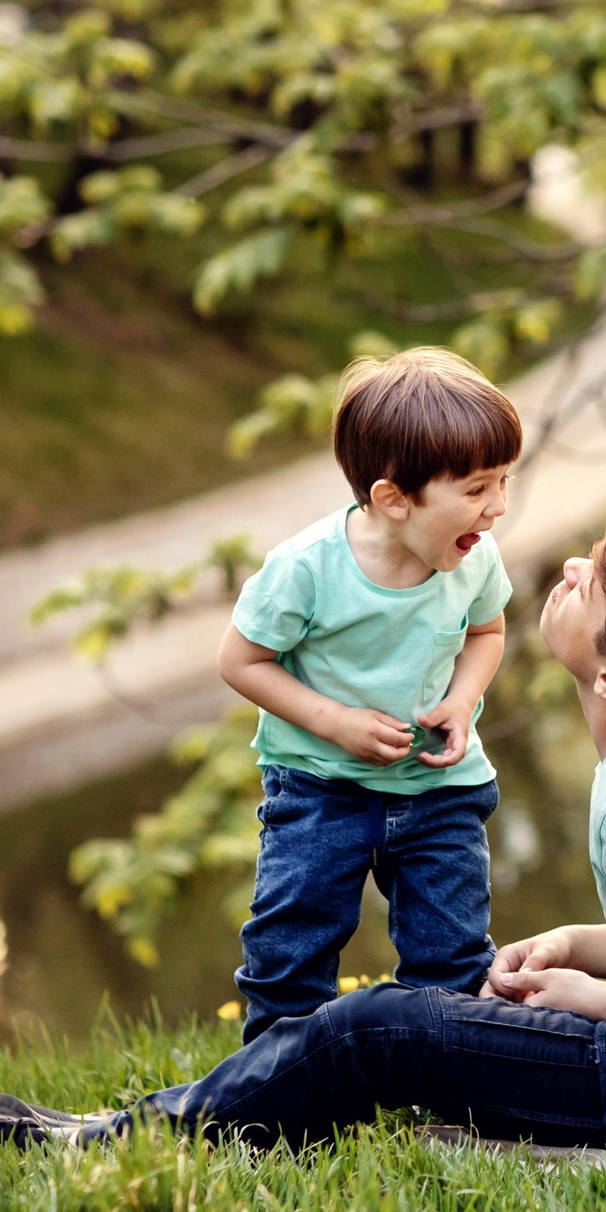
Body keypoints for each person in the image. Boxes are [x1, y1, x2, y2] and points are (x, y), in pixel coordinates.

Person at [0, 501, 606, 1164]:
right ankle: (117, 1122)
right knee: (399, 1022)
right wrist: (574, 947)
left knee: (384, 1026)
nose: (568, 566)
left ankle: (91, 1143)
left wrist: (601, 1000)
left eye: (590, 580)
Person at [216, 346, 521, 1042]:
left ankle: (448, 1072)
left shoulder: (471, 557)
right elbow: (241, 659)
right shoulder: (306, 569)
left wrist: (462, 701)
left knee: (452, 952)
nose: (498, 506)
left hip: (440, 788)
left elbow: (489, 630)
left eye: (504, 480)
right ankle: (277, 1084)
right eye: (477, 488)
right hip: (321, 787)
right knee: (291, 946)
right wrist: (337, 723)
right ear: (392, 498)